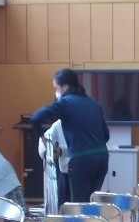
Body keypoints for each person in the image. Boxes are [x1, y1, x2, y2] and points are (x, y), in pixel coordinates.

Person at [30, 68, 109, 202]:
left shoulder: (65, 103)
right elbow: (106, 136)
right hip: (102, 159)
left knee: (78, 206)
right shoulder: (94, 103)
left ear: (65, 86)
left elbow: (36, 118)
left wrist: (42, 137)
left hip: (81, 161)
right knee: (92, 202)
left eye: (56, 88)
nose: (56, 91)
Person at [37, 119, 71, 207]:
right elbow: (45, 139)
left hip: (83, 170)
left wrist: (62, 150)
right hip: (65, 172)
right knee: (62, 205)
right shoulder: (59, 123)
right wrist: (49, 151)